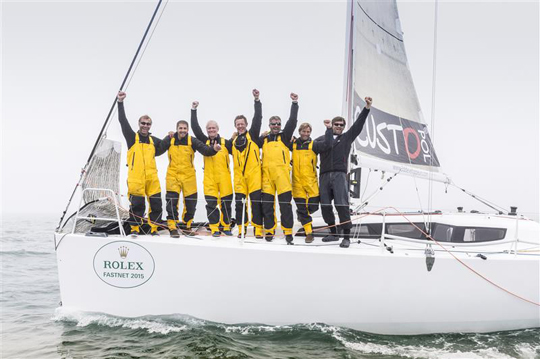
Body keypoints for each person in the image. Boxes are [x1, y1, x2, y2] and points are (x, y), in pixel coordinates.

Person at [319, 97, 372, 248]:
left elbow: (358, 125)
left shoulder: (347, 137)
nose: (339, 127)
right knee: (325, 205)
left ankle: (346, 237)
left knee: (341, 205)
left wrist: (367, 108)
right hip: (323, 175)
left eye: (341, 125)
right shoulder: (323, 139)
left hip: (340, 175)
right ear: (331, 125)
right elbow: (310, 145)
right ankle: (333, 233)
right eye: (336, 124)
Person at [117, 91, 167, 236]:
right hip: (136, 178)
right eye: (143, 123)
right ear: (139, 124)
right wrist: (120, 102)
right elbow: (122, 121)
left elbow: (162, 148)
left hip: (152, 178)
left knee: (156, 204)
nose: (145, 126)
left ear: (151, 125)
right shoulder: (132, 137)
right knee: (137, 205)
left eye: (148, 124)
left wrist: (170, 136)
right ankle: (135, 229)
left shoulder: (154, 140)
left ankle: (154, 228)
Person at [161, 120, 219, 238]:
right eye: (180, 128)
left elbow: (205, 150)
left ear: (187, 130)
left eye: (184, 128)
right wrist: (167, 136)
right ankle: (172, 227)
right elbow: (157, 150)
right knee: (172, 202)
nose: (182, 130)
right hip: (173, 175)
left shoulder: (192, 140)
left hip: (189, 176)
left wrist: (214, 149)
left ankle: (187, 226)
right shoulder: (170, 139)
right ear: (177, 129)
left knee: (191, 203)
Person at [190, 101, 234, 237]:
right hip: (209, 179)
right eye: (209, 128)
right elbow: (195, 128)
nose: (211, 130)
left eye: (213, 128)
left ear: (218, 129)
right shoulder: (204, 141)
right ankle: (214, 228)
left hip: (224, 178)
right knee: (211, 204)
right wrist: (193, 110)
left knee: (226, 204)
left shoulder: (226, 142)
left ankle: (226, 226)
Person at [260, 93, 299, 244]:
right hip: (267, 176)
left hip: (282, 176)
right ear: (269, 126)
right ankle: (269, 231)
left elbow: (293, 121)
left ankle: (288, 232)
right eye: (273, 124)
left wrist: (294, 103)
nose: (275, 126)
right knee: (268, 206)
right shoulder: (263, 138)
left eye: (278, 124)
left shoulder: (285, 136)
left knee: (285, 206)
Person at [291, 120, 333, 243]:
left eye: (308, 132)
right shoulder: (292, 144)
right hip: (297, 182)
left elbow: (328, 144)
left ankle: (301, 214)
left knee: (314, 206)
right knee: (302, 208)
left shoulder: (314, 145)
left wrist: (329, 129)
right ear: (299, 132)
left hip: (311, 181)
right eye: (303, 131)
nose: (306, 133)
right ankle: (309, 233)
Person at [231, 89, 263, 238]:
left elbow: (258, 118)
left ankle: (257, 229)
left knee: (256, 203)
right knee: (240, 205)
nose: (240, 126)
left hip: (254, 176)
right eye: (238, 124)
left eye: (242, 124)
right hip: (239, 179)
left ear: (246, 124)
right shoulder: (232, 141)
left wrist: (256, 100)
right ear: (235, 126)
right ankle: (241, 229)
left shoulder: (254, 135)